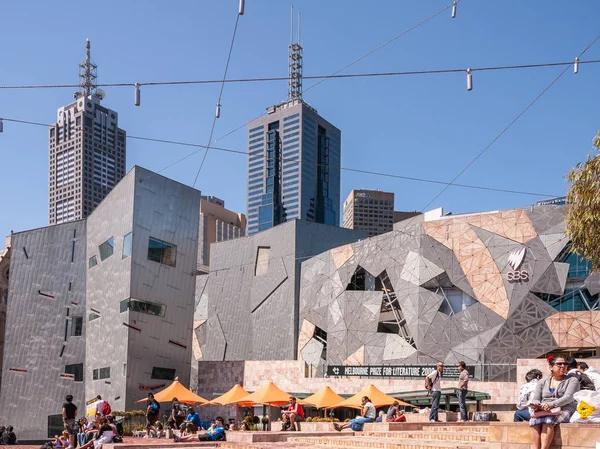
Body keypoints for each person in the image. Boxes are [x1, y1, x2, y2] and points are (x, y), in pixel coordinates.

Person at [530, 356, 580, 449]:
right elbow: (536, 398)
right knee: (533, 421)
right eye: (559, 364)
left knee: (548, 420)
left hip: (565, 408)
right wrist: (537, 405)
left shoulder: (572, 380)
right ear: (551, 367)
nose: (562, 366)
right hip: (545, 408)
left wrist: (550, 405)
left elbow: (568, 398)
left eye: (564, 364)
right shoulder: (542, 381)